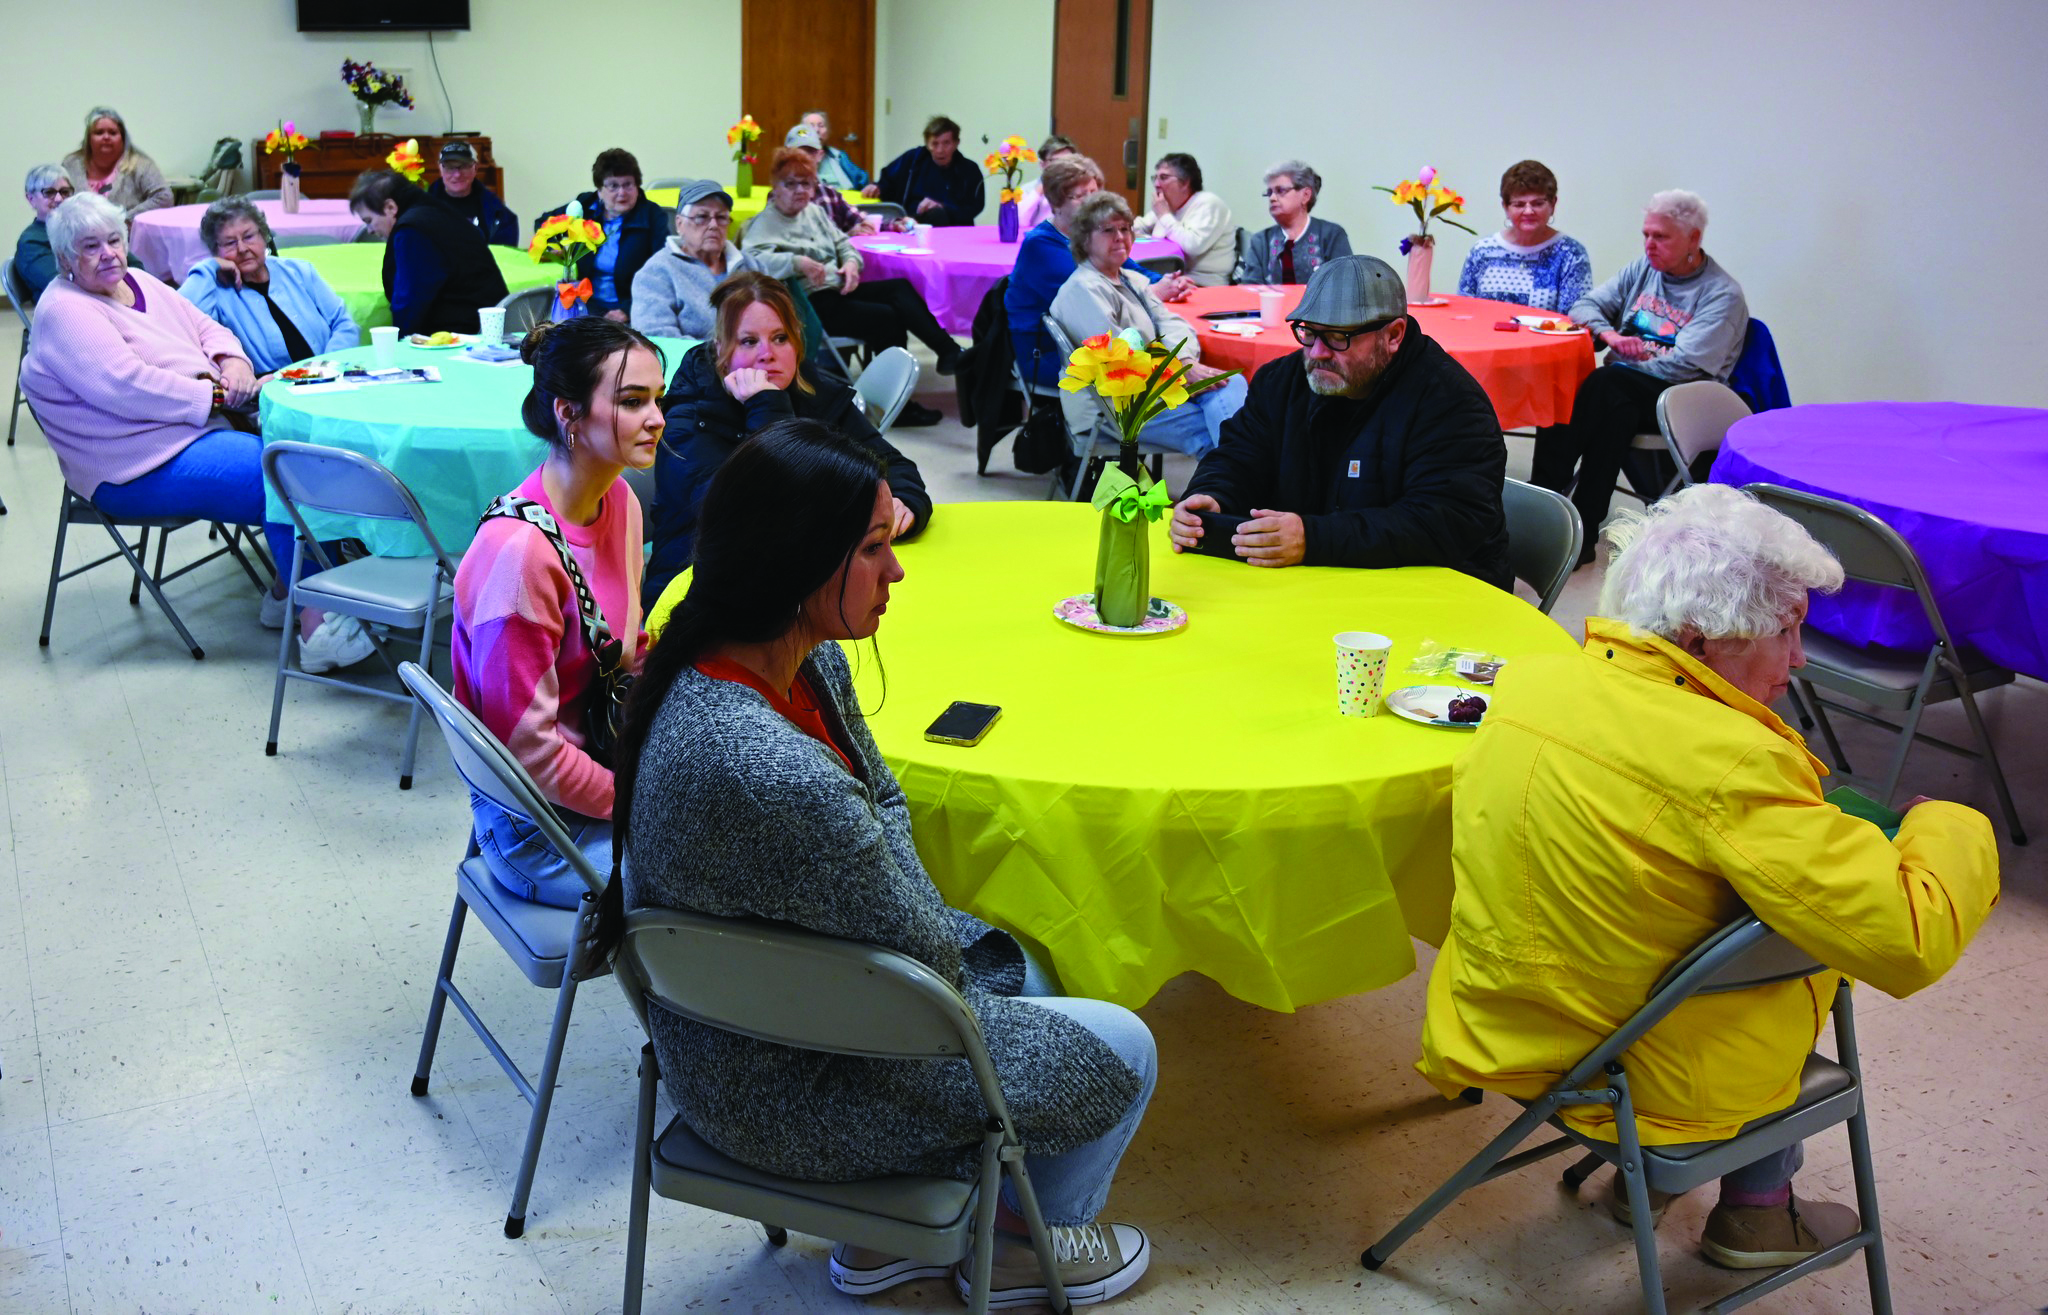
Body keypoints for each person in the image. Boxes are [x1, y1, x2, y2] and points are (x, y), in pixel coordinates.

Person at [617, 417, 1156, 1308]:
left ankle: (880, 1242)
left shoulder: (755, 654)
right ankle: (1020, 1249)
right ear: (798, 562)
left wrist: (888, 859)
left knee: (1031, 966)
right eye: (874, 549)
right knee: (1122, 1043)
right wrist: (896, 874)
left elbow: (885, 802)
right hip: (782, 1090)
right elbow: (926, 956)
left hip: (739, 1039)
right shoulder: (766, 763)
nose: (897, 569)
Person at [1417, 483, 1999, 1270]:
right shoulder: (1734, 761)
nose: (1798, 660)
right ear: (1698, 637)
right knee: (1788, 938)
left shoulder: (1532, 682)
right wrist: (1952, 823)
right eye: (1786, 631)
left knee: (1673, 899)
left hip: (1498, 1022)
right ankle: (1758, 1212)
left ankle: (1641, 1187)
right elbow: (1910, 935)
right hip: (1637, 1081)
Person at [19, 192, 371, 671]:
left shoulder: (139, 280)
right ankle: (317, 628)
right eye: (90, 246)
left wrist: (232, 362)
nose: (109, 254)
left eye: (114, 240)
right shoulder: (66, 310)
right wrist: (219, 396)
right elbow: (128, 387)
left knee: (305, 457)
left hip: (191, 432)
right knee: (283, 475)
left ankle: (290, 594)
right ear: (64, 259)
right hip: (133, 464)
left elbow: (209, 329)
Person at [452, 317, 662, 908]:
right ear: (568, 414)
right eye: (631, 401)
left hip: (595, 763)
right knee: (722, 881)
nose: (657, 418)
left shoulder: (618, 499)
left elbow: (625, 648)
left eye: (657, 399)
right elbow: (528, 751)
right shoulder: (518, 555)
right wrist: (638, 796)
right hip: (537, 829)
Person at [1169, 255, 1510, 586]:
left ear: (1393, 336)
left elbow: (1441, 523)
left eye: (1337, 337)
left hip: (1439, 596)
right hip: (1323, 582)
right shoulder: (1283, 381)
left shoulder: (1452, 403)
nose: (1317, 352)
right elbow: (1239, 455)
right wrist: (1212, 497)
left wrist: (1313, 539)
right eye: (1308, 333)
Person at [647, 270, 931, 606]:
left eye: (780, 338)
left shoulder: (806, 387)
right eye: (749, 341)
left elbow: (891, 463)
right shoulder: (688, 415)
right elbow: (769, 513)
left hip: (798, 582)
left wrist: (907, 500)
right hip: (700, 596)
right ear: (720, 348)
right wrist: (766, 406)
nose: (768, 354)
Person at [1537, 189, 1748, 557]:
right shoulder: (1644, 269)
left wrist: (1624, 362)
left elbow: (1689, 365)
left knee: (1609, 383)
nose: (1649, 245)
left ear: (1693, 239)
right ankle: (1581, 536)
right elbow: (1585, 305)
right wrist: (1609, 334)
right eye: (1646, 234)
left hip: (1683, 398)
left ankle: (1543, 500)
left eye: (1661, 237)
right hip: (1624, 392)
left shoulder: (1721, 293)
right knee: (1611, 405)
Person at [1048, 192, 1246, 458]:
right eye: (1108, 230)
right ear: (1084, 239)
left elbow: (1172, 323)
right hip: (1114, 407)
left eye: (1125, 228)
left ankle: (1234, 485)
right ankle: (1239, 487)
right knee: (1228, 429)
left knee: (1232, 386)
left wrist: (1185, 362)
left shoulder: (1131, 279)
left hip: (1152, 387)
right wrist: (1180, 373)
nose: (1120, 236)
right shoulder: (1082, 289)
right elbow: (1118, 361)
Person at [744, 148, 963, 382]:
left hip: (837, 287)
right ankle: (895, 399)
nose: (800, 191)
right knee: (886, 317)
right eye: (790, 184)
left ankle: (947, 351)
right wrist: (797, 263)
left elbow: (843, 243)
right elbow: (752, 261)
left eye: (806, 184)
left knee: (900, 288)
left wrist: (850, 263)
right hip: (809, 302)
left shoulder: (813, 212)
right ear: (775, 186)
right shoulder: (765, 222)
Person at [1006, 156, 1181, 389]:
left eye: (1094, 192)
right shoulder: (1041, 246)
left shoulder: (1092, 238)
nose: (1092, 202)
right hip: (1050, 353)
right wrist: (1154, 292)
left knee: (1171, 353)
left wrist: (1168, 282)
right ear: (1056, 203)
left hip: (1090, 337)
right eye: (1081, 196)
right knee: (1155, 370)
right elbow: (1092, 296)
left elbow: (1128, 269)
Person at [177, 196, 358, 378]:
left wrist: (325, 368)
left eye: (249, 237)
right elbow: (182, 318)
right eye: (230, 243)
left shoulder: (299, 271)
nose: (242, 248)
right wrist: (210, 266)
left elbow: (343, 323)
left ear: (264, 236)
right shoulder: (216, 292)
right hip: (268, 391)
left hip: (331, 378)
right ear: (216, 251)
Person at [349, 169, 509, 337]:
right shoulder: (436, 211)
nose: (370, 230)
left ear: (390, 207)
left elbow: (410, 300)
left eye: (369, 221)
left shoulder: (413, 231)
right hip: (489, 326)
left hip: (463, 337)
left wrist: (399, 348)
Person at [532, 149, 669, 322]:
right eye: (613, 185)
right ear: (599, 190)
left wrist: (628, 310)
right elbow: (543, 224)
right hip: (587, 306)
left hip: (635, 309)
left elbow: (662, 270)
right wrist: (560, 247)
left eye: (628, 184)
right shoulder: (585, 206)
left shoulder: (652, 215)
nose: (622, 193)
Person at [629, 180, 764, 341]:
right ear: (679, 224)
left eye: (721, 217)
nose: (713, 225)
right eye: (702, 217)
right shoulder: (656, 273)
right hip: (695, 364)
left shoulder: (752, 266)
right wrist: (723, 355)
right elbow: (658, 339)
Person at [1456, 159, 1592, 312]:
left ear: (1553, 205)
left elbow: (1573, 320)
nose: (1528, 211)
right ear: (1506, 207)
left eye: (1538, 203)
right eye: (1519, 204)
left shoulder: (1571, 253)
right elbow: (1464, 311)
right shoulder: (1482, 251)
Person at [1239, 160, 1352, 286]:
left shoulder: (1332, 235)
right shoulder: (1261, 240)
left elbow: (1344, 286)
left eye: (1280, 190)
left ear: (1305, 195)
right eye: (1269, 192)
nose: (1272, 198)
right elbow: (1250, 289)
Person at [1131, 153, 1233, 286]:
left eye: (1163, 178)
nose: (1156, 184)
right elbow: (1138, 226)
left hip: (1201, 283)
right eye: (1155, 178)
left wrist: (1164, 215)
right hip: (1167, 277)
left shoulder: (1208, 203)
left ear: (1185, 183)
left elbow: (1193, 245)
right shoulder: (1168, 206)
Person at [866, 115, 985, 227]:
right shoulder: (913, 159)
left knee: (937, 214)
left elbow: (975, 207)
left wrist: (943, 207)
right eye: (934, 144)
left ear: (956, 143)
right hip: (911, 221)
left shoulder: (969, 169)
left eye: (946, 143)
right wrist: (877, 187)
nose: (940, 150)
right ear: (927, 144)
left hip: (952, 226)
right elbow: (888, 181)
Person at [60, 107, 172, 223]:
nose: (106, 137)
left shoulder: (141, 165)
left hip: (127, 237)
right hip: (76, 236)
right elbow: (57, 197)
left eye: (113, 133)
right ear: (88, 139)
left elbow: (164, 197)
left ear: (123, 139)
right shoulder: (71, 164)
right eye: (99, 133)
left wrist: (123, 220)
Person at [782, 124, 880, 235]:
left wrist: (893, 224)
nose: (803, 158)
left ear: (820, 155)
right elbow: (798, 243)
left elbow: (860, 219)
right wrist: (848, 236)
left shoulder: (830, 194)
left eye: (809, 152)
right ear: (785, 157)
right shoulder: (779, 197)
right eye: (797, 153)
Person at [427, 140, 518, 247]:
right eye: (450, 167)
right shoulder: (422, 208)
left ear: (476, 168)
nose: (457, 174)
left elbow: (503, 258)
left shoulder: (498, 213)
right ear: (440, 168)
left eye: (464, 166)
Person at [14, 164, 74, 300]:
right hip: (65, 311)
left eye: (65, 192)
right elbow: (62, 285)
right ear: (31, 199)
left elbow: (132, 264)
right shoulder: (31, 243)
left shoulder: (80, 229)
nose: (59, 199)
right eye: (49, 193)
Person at [1014, 134, 1077, 231]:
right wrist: (1041, 189)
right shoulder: (1027, 189)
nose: (1062, 166)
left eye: (1068, 161)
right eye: (1056, 161)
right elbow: (1019, 222)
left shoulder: (1084, 189)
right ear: (1042, 164)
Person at [800, 109, 870, 191]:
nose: (817, 130)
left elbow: (861, 178)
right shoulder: (795, 158)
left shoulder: (837, 155)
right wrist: (813, 164)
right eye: (811, 126)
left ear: (828, 131)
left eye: (821, 126)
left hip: (844, 200)